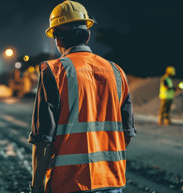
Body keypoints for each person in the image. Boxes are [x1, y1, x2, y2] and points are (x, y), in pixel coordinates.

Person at [28, 1, 136, 193]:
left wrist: (36, 186)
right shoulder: (117, 71)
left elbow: (43, 140)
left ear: (58, 38)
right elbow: (126, 133)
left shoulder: (53, 72)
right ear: (87, 34)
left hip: (69, 183)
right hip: (112, 181)